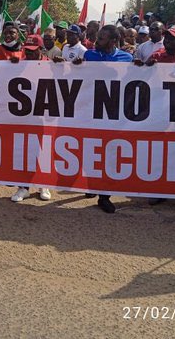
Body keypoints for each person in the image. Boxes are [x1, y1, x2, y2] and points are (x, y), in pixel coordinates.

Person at [135, 26, 175, 211]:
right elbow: (144, 78)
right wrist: (143, 67)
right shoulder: (156, 57)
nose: (168, 42)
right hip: (161, 113)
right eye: (167, 38)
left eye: (173, 39)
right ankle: (160, 191)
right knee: (161, 153)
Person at [76, 25, 133, 213]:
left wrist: (145, 68)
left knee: (110, 153)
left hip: (114, 114)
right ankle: (92, 184)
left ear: (113, 41)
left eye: (100, 39)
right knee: (91, 150)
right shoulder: (89, 56)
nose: (95, 42)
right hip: (91, 112)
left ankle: (104, 196)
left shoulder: (127, 59)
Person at [10, 35, 52, 203]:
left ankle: (44, 184)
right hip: (24, 116)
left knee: (44, 150)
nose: (30, 54)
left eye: (33, 51)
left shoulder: (51, 64)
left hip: (45, 116)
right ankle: (23, 187)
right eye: (27, 51)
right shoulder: (20, 62)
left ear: (41, 50)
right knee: (24, 151)